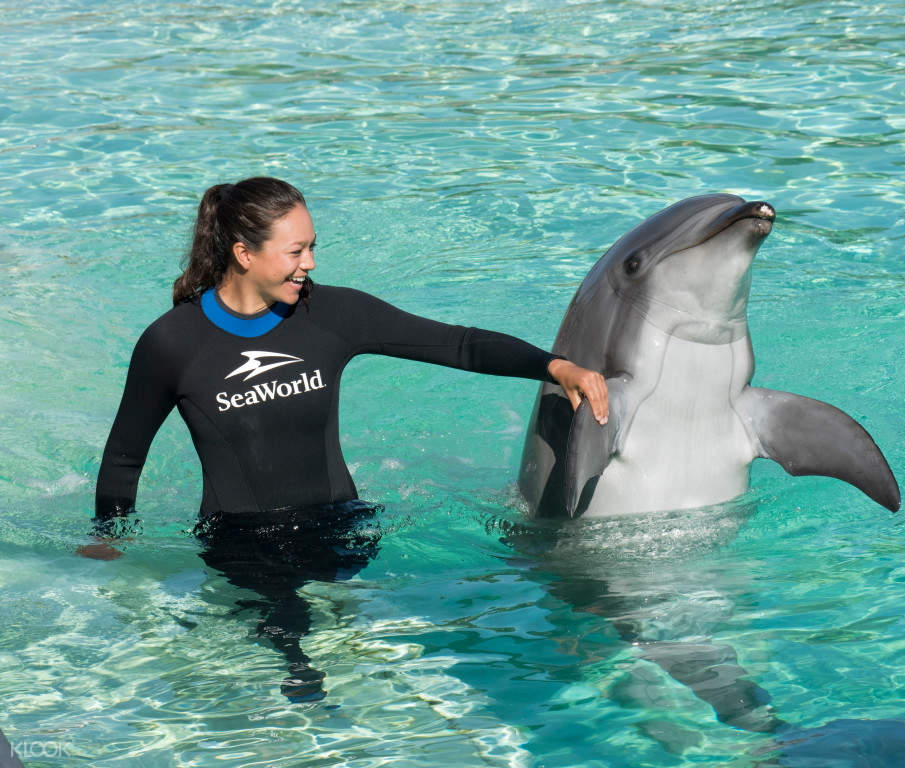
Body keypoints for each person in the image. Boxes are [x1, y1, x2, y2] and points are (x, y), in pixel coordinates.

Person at [80, 176, 609, 701]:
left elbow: (456, 344)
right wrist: (110, 536)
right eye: (296, 251)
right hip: (241, 543)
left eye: (312, 248)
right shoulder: (174, 342)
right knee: (296, 660)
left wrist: (554, 366)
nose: (309, 263)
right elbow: (126, 455)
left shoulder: (329, 314)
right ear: (244, 253)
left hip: (342, 528)